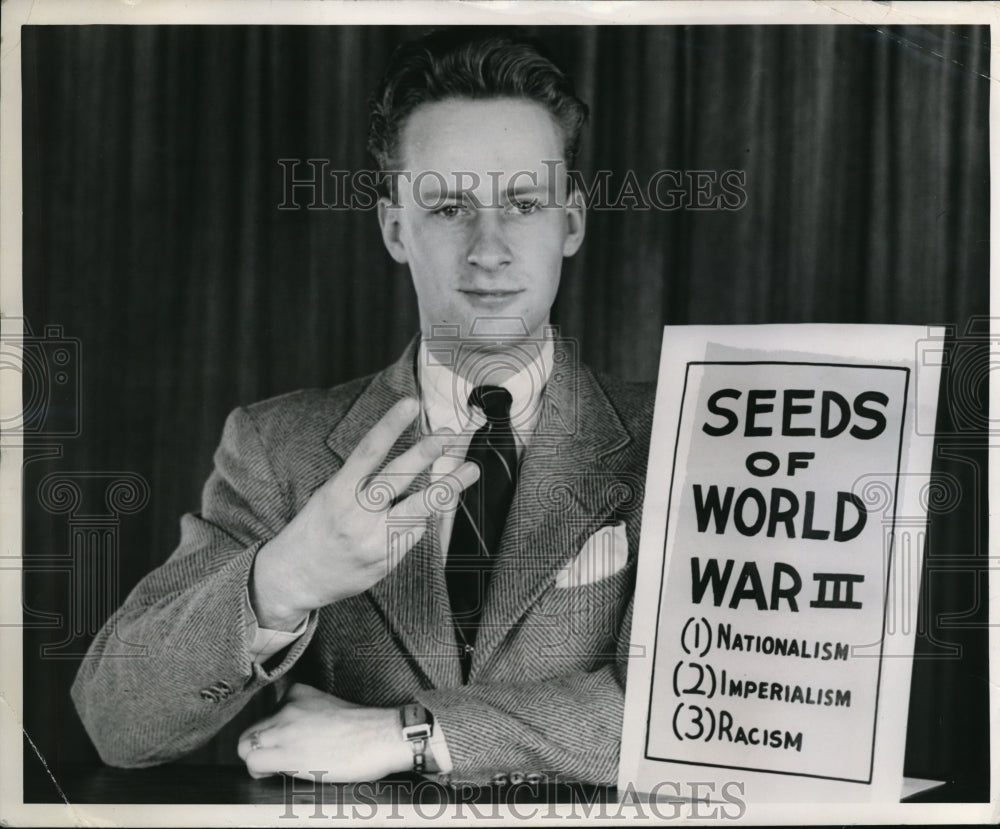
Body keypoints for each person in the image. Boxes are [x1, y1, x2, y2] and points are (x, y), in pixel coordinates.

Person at [71, 27, 654, 788]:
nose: (489, 247)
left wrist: (408, 735)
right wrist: (281, 578)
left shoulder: (678, 437)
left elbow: (701, 712)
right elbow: (116, 721)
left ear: (570, 222)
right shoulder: (280, 446)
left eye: (522, 203)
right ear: (393, 228)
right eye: (447, 208)